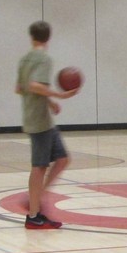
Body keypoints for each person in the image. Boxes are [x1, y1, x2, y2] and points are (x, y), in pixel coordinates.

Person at [16, 20, 78, 229]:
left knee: (62, 159)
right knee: (39, 167)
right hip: (38, 120)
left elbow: (19, 88)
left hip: (38, 116)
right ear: (48, 37)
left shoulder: (25, 59)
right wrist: (58, 95)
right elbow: (34, 85)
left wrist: (49, 102)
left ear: (31, 37)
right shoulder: (44, 59)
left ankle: (36, 197)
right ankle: (34, 215)